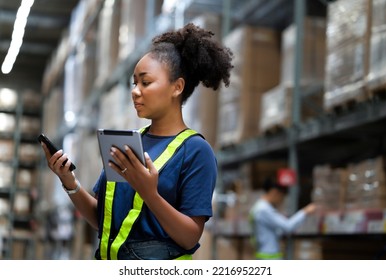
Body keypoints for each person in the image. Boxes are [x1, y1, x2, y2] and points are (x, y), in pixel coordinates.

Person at [40, 22, 233, 260]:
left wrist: (149, 193)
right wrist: (69, 181)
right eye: (134, 83)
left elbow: (190, 236)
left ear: (177, 87)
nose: (135, 91)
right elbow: (101, 219)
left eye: (146, 82)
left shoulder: (196, 151)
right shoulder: (128, 145)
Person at [249, 178, 317, 260]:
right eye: (282, 196)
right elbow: (288, 226)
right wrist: (305, 211)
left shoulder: (258, 207)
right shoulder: (264, 210)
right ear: (275, 192)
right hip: (270, 257)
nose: (282, 200)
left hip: (264, 255)